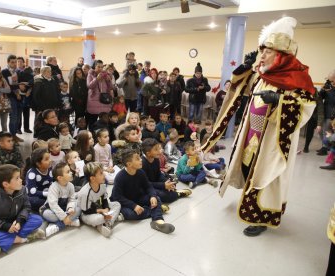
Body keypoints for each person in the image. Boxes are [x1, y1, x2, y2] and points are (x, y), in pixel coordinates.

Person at [201, 17, 316, 237]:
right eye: (261, 51)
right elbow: (240, 88)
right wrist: (245, 66)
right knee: (249, 169)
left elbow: (307, 107)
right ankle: (249, 201)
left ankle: (261, 216)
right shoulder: (263, 74)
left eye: (267, 52)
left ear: (281, 55)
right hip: (251, 133)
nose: (261, 56)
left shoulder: (298, 79)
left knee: (267, 174)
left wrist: (280, 100)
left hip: (273, 139)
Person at [0, 164, 45, 255]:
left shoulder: (22, 189)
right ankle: (23, 239)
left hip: (15, 223)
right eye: (17, 178)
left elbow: (26, 207)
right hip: (0, 227)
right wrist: (4, 226)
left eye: (20, 177)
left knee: (37, 219)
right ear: (6, 184)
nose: (21, 180)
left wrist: (20, 221)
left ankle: (1, 242)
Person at [110, 150, 175, 234]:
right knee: (131, 214)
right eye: (137, 159)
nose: (141, 160)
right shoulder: (120, 177)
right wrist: (133, 206)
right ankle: (157, 210)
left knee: (157, 199)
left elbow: (148, 186)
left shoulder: (140, 172)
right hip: (125, 203)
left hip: (138, 197)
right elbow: (117, 197)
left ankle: (158, 221)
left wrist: (152, 196)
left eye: (140, 157)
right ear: (129, 164)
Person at [142, 138, 191, 204]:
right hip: (148, 187)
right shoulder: (142, 164)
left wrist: (166, 182)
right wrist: (163, 185)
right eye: (156, 150)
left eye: (159, 149)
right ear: (148, 153)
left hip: (156, 182)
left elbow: (158, 174)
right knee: (163, 195)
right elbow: (146, 184)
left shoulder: (156, 159)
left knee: (172, 182)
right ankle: (177, 194)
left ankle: (171, 190)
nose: (160, 151)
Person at [78, 162, 121, 237]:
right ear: (92, 178)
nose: (104, 174)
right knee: (99, 218)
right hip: (87, 213)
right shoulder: (85, 192)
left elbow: (104, 200)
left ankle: (107, 224)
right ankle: (104, 222)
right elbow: (85, 211)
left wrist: (107, 208)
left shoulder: (102, 186)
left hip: (99, 209)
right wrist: (101, 211)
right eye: (101, 173)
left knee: (117, 204)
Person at [40, 162, 81, 237]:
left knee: (79, 209)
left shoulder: (71, 185)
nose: (71, 173)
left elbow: (71, 199)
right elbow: (53, 205)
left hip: (65, 208)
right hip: (52, 209)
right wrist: (64, 217)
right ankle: (69, 222)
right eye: (68, 172)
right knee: (47, 214)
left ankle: (58, 225)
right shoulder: (54, 187)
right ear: (60, 178)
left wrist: (71, 208)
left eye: (70, 171)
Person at [1, 55, 23, 143]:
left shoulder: (17, 71)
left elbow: (19, 83)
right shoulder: (4, 72)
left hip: (18, 96)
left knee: (18, 117)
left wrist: (19, 90)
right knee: (13, 117)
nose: (14, 64)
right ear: (8, 62)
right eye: (12, 62)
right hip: (9, 97)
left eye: (15, 62)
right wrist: (18, 87)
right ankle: (12, 136)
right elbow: (6, 86)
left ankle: (14, 135)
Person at [86, 60, 113, 130]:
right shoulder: (90, 74)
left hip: (104, 101)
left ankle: (104, 135)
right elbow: (89, 86)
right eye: (98, 67)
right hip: (93, 101)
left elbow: (111, 88)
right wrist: (96, 79)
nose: (100, 68)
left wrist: (108, 80)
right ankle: (92, 136)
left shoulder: (105, 74)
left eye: (102, 67)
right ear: (94, 67)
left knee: (104, 121)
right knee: (93, 122)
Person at [317, 70, 335, 156]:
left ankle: (325, 148)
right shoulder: (328, 86)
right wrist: (323, 89)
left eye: (331, 80)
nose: (330, 82)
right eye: (329, 80)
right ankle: (326, 145)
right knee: (320, 131)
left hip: (332, 113)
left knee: (326, 131)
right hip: (324, 111)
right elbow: (320, 97)